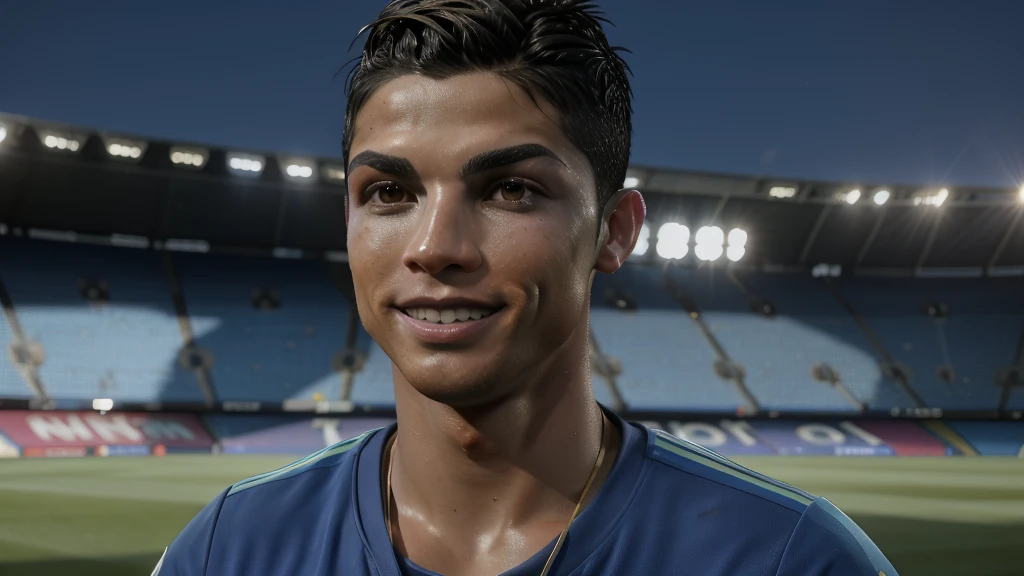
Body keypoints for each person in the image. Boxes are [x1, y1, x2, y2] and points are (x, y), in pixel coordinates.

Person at [156, 1, 898, 574]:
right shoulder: (227, 549)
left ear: (614, 231)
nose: (434, 248)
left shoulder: (788, 558)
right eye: (388, 193)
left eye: (510, 190)